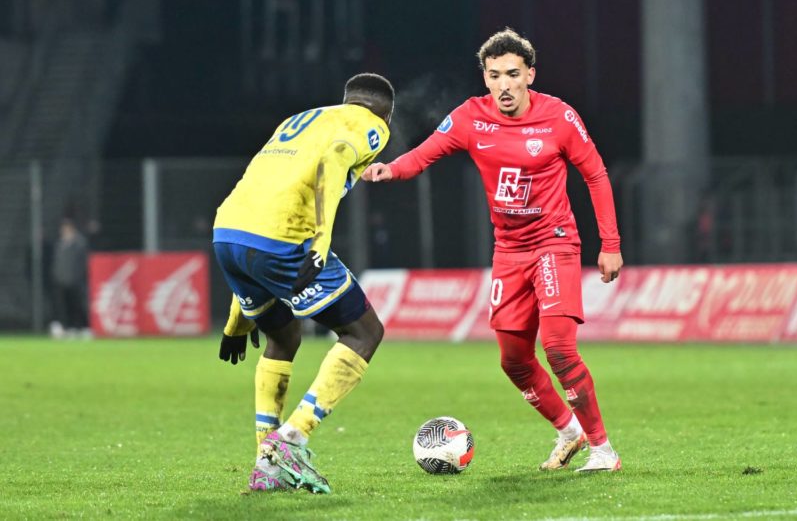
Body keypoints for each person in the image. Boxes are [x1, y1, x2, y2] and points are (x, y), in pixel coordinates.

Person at [363, 28, 624, 472]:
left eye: (513, 74)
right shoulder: (471, 117)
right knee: (514, 361)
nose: (504, 84)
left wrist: (610, 244)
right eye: (495, 75)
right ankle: (569, 431)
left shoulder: (559, 117)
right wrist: (392, 169)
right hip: (509, 252)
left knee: (559, 349)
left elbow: (595, 175)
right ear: (485, 77)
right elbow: (425, 153)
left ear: (530, 75)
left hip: (554, 244)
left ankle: (603, 450)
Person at [213, 72, 395, 493]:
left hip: (228, 233)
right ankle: (291, 438)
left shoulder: (301, 119)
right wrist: (322, 237)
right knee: (365, 332)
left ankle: (266, 466)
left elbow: (261, 186)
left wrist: (237, 316)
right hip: (283, 237)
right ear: (386, 113)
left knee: (283, 336)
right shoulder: (371, 124)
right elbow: (335, 158)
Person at [50, 217, 90, 338]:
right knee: (64, 306)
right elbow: (57, 262)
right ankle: (68, 328)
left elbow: (83, 263)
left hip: (76, 281)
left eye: (66, 227)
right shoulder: (59, 243)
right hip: (62, 281)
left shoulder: (80, 243)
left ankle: (84, 328)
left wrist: (78, 277)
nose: (64, 230)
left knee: (78, 305)